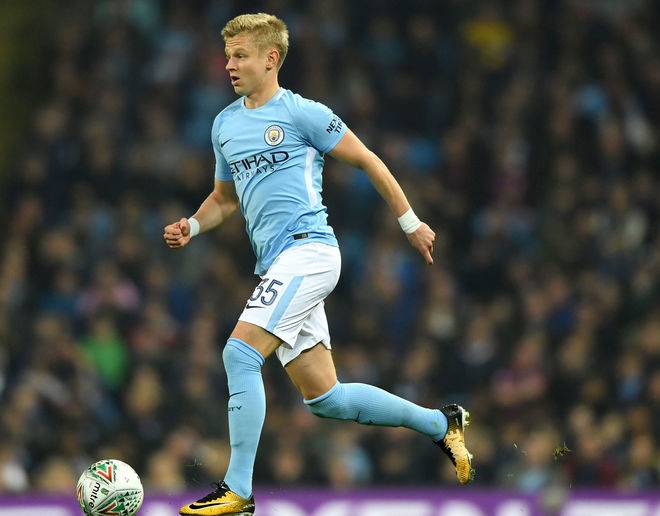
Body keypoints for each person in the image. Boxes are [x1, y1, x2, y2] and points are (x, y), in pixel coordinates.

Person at [163, 13, 474, 516]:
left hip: (309, 251)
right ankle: (442, 424)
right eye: (227, 56)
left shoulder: (303, 113)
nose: (229, 65)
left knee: (239, 354)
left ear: (271, 58)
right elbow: (224, 198)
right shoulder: (224, 124)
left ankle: (238, 489)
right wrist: (193, 226)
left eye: (241, 56)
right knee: (325, 399)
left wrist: (410, 222)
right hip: (276, 265)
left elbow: (368, 159)